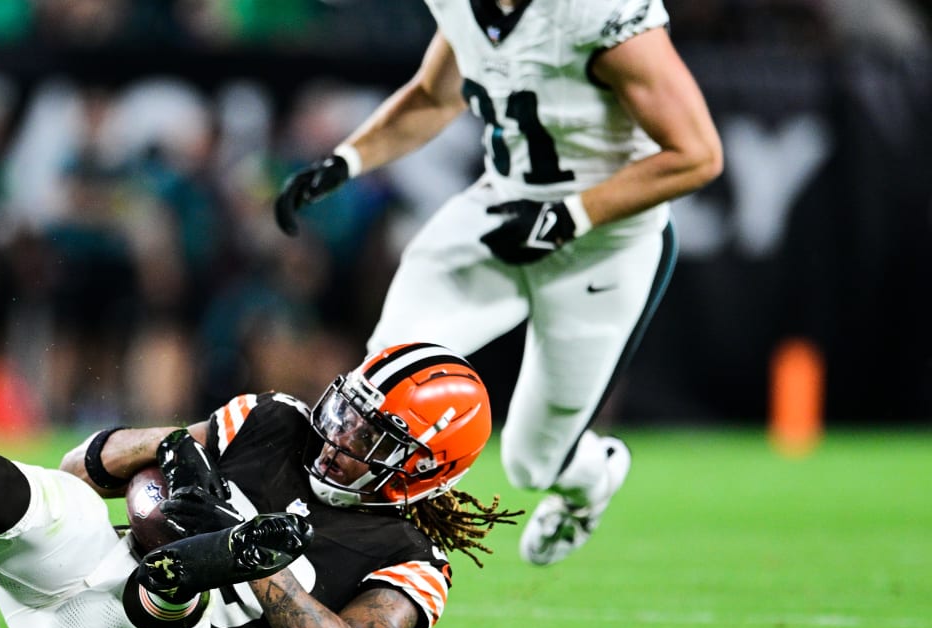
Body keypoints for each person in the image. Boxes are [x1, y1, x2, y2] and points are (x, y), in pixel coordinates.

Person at [0, 280, 520, 628]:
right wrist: (166, 445)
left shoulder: (411, 558)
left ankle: (196, 566)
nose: (339, 436)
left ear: (426, 466)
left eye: (371, 437)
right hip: (93, 563)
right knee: (51, 503)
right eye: (346, 411)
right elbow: (78, 470)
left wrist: (262, 574)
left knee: (173, 597)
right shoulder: (273, 419)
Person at [275, 0, 723, 566]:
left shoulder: (595, 11)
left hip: (603, 243)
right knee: (381, 383)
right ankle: (353, 549)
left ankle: (591, 478)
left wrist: (570, 215)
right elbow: (434, 95)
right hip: (502, 210)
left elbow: (697, 154)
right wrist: (345, 161)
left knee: (533, 462)